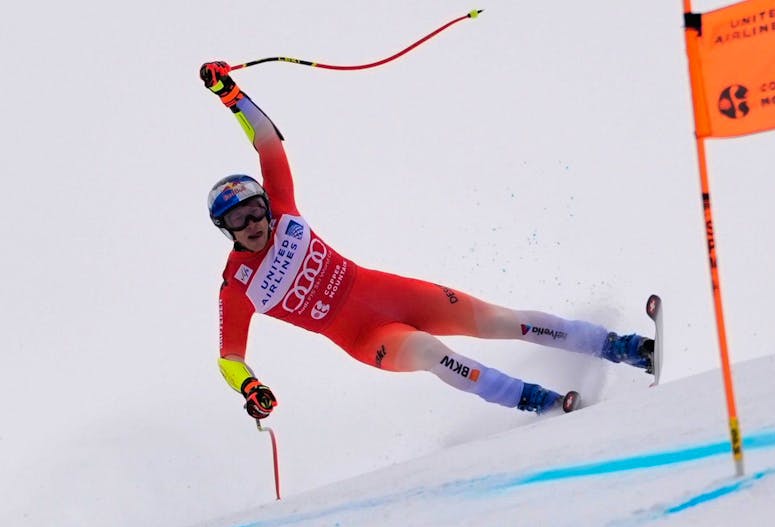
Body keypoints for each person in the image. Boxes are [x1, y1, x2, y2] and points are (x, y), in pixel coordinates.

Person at [199, 61, 654, 419]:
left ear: (265, 203)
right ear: (227, 231)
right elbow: (229, 359)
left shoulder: (283, 209)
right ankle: (540, 402)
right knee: (433, 354)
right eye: (238, 221)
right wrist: (250, 387)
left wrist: (231, 96)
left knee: (500, 320)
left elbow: (268, 140)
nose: (254, 224)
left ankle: (627, 348)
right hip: (369, 335)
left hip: (392, 293)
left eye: (255, 210)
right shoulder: (236, 284)